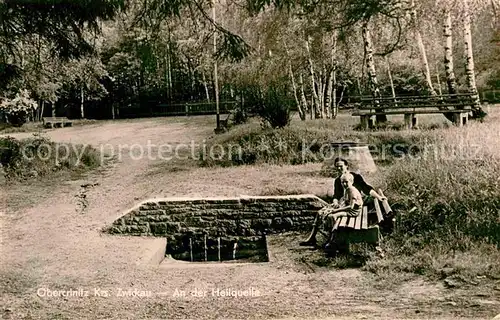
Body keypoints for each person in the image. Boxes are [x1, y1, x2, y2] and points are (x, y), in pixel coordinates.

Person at [300, 157, 386, 247]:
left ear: (346, 166)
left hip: (351, 205)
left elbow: (367, 189)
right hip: (341, 204)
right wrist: (335, 202)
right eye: (337, 167)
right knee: (320, 212)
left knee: (331, 215)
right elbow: (336, 195)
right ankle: (312, 238)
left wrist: (379, 197)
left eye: (341, 166)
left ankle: (333, 240)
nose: (339, 168)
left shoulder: (355, 177)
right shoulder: (338, 180)